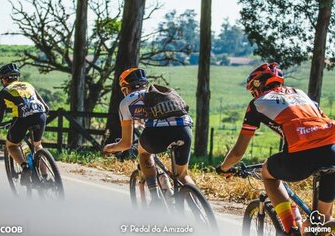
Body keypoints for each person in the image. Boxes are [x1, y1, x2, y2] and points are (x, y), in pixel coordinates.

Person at [215, 63, 335, 235]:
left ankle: (291, 228)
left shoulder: (257, 103)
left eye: (252, 90)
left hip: (301, 158)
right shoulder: (301, 94)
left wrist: (223, 168)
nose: (253, 94)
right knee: (321, 222)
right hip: (331, 151)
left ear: (258, 85)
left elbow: (237, 152)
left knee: (267, 172)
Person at [103, 68, 194, 205]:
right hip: (184, 130)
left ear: (125, 88)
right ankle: (201, 207)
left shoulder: (126, 102)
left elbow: (126, 143)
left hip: (156, 135)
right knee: (183, 175)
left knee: (145, 154)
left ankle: (155, 197)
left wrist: (110, 148)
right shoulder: (159, 93)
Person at [0, 63, 49, 185]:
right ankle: (45, 177)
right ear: (17, 77)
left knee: (11, 145)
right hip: (41, 115)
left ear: (4, 79)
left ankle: (25, 167)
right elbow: (46, 107)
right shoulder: (29, 85)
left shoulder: (4, 92)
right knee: (37, 146)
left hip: (22, 119)